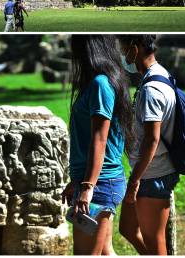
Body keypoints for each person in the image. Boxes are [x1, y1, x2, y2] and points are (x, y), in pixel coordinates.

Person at [65, 35, 134, 255]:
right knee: (106, 252)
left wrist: (87, 187)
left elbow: (99, 139)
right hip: (100, 181)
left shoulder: (100, 84)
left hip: (100, 184)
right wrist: (77, 180)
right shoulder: (103, 81)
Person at [117, 35, 178, 255]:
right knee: (128, 229)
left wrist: (134, 181)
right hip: (146, 172)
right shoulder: (159, 74)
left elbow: (153, 139)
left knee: (154, 240)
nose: (123, 55)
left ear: (135, 48)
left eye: (124, 49)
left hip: (153, 174)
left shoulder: (152, 88)